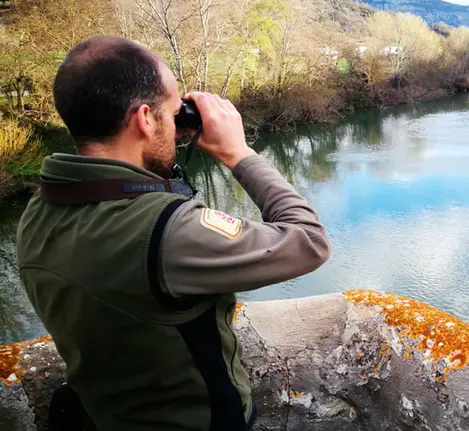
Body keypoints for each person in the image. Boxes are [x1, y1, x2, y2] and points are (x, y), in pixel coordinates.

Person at [16, 36, 331, 431]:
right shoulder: (168, 231)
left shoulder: (40, 210)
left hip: (100, 416)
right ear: (145, 119)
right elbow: (309, 241)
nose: (177, 119)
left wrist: (159, 145)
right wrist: (238, 153)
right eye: (171, 109)